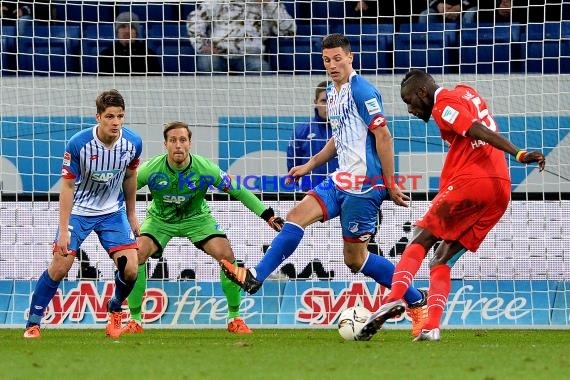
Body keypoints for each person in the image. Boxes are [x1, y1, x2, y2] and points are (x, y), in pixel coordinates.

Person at [221, 33, 429, 338]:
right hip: (340, 179)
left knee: (355, 261)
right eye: (327, 60)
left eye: (337, 59)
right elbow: (339, 137)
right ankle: (255, 276)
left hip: (364, 186)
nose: (332, 65)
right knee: (295, 217)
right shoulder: (332, 93)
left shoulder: (363, 90)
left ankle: (416, 301)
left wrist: (389, 183)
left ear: (350, 57)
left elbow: (383, 136)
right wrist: (310, 164)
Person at [358, 69, 546, 342]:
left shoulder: (442, 105)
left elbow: (474, 128)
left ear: (423, 93)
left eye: (409, 100)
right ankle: (432, 327)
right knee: (442, 259)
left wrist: (517, 152)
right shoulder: (465, 91)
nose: (409, 109)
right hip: (500, 190)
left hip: (472, 181)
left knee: (419, 239)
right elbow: (478, 126)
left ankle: (394, 298)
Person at [121, 121, 284, 334]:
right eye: (173, 140)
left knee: (226, 255)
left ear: (190, 143)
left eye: (182, 140)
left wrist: (268, 215)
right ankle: (135, 320)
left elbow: (238, 190)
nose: (178, 145)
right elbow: (124, 187)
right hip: (160, 220)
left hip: (197, 218)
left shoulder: (205, 168)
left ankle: (234, 317)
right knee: (137, 254)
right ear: (165, 144)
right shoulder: (151, 169)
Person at [23, 89, 143, 339]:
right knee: (60, 265)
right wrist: (64, 229)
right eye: (110, 116)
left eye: (120, 116)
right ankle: (33, 323)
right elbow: (67, 187)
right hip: (79, 212)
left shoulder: (133, 143)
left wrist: (132, 215)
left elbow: (130, 177)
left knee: (131, 268)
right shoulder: (78, 144)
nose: (116, 122)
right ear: (98, 116)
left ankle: (114, 307)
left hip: (112, 212)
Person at [186, 0, 295, 74]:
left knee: (261, 68)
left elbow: (290, 32)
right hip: (218, 53)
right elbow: (195, 18)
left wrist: (269, 4)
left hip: (251, 56)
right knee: (207, 63)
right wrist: (201, 44)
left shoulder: (271, 5)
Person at [287, 81, 338, 192]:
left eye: (332, 100)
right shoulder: (301, 132)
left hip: (342, 194)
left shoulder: (348, 130)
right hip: (310, 196)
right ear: (315, 102)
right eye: (324, 101)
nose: (328, 106)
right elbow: (292, 167)